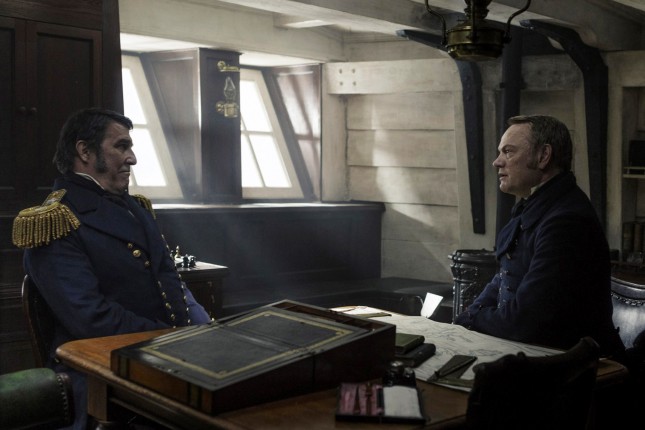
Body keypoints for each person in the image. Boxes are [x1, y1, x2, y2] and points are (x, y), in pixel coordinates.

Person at [12, 108, 211, 430]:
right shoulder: (56, 219)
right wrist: (169, 340)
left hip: (167, 357)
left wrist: (204, 332)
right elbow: (91, 318)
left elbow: (172, 282)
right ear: (84, 151)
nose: (132, 158)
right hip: (103, 373)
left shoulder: (134, 207)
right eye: (121, 146)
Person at [454, 115, 624, 358]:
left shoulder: (566, 221)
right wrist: (467, 317)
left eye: (508, 152)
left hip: (577, 367)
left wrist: (474, 318)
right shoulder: (536, 207)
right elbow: (504, 279)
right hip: (533, 353)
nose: (497, 162)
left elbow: (525, 322)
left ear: (543, 156)